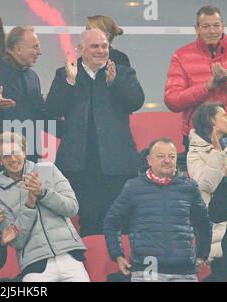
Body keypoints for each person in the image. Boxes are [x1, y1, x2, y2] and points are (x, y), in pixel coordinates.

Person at [46, 28, 144, 236]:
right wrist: (70, 82)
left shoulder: (123, 72)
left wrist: (115, 83)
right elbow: (53, 109)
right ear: (80, 49)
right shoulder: (65, 73)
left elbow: (136, 101)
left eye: (104, 46)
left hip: (117, 165)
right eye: (94, 46)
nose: (101, 50)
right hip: (81, 166)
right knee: (90, 223)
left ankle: (120, 267)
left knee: (122, 222)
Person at [104, 138, 212, 282]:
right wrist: (117, 255)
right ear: (149, 160)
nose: (167, 160)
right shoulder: (133, 187)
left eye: (171, 156)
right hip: (146, 271)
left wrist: (202, 254)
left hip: (184, 271)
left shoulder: (190, 187)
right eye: (161, 156)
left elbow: (204, 223)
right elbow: (112, 222)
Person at [0, 132, 89, 282]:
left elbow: (72, 208)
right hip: (34, 265)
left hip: (69, 256)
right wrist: (29, 205)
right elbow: (17, 241)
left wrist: (43, 193)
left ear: (24, 152)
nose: (12, 159)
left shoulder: (48, 169)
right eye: (5, 156)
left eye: (15, 152)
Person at [0, 26, 45, 174]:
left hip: (27, 159)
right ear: (18, 49)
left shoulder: (33, 77)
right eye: (35, 47)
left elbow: (39, 113)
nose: (39, 52)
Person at [164, 5, 227, 152]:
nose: (212, 31)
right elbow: (172, 100)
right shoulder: (182, 56)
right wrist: (207, 87)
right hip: (197, 137)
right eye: (206, 26)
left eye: (216, 25)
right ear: (196, 29)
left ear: (223, 26)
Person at [187, 103, 227, 281]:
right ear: (212, 120)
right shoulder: (194, 152)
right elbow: (205, 184)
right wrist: (217, 154)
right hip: (218, 225)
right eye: (224, 116)